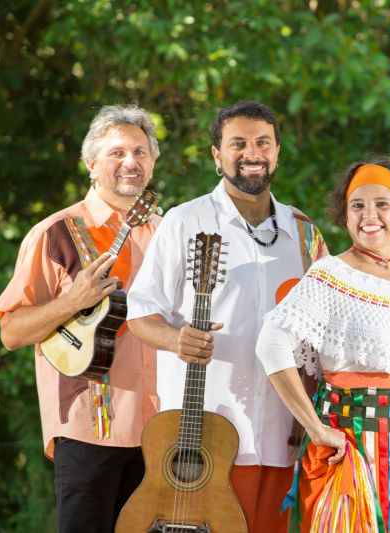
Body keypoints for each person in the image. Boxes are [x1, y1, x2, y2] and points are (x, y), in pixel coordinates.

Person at [126, 100, 327, 533]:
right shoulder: (185, 220)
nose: (251, 153)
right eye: (238, 143)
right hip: (204, 438)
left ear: (277, 152)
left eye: (262, 143)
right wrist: (175, 339)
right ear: (217, 155)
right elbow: (140, 314)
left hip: (281, 431)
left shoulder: (304, 232)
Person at [255, 159, 390, 533]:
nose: (370, 215)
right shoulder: (329, 277)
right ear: (345, 216)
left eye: (382, 204)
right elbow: (270, 344)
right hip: (347, 451)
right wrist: (316, 429)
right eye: (358, 205)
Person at [0, 105, 162, 533]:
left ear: (154, 162)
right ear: (91, 165)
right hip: (89, 428)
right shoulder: (56, 234)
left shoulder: (170, 234)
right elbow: (12, 331)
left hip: (162, 431)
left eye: (141, 153)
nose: (131, 162)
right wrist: (73, 301)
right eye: (117, 152)